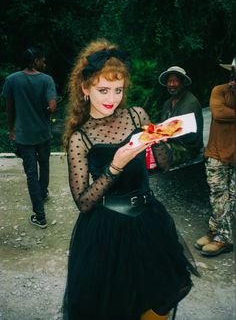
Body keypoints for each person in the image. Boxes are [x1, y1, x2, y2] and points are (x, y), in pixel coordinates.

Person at [62, 39, 197, 320]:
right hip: (107, 230)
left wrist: (157, 137)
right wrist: (115, 166)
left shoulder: (137, 115)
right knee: (115, 305)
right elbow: (84, 203)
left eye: (118, 89)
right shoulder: (80, 138)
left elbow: (166, 165)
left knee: (174, 286)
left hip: (148, 219)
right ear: (85, 89)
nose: (111, 97)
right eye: (102, 90)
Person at [1, 45, 57, 229]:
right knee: (44, 165)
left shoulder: (12, 80)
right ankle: (43, 193)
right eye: (42, 59)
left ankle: (40, 216)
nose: (45, 62)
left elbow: (9, 108)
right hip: (43, 133)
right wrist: (48, 109)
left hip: (24, 136)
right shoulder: (47, 80)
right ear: (35, 61)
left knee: (31, 174)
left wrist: (11, 130)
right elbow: (52, 107)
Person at [195, 57, 236, 257]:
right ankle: (220, 236)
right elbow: (218, 112)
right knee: (218, 194)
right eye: (233, 73)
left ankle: (219, 233)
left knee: (231, 197)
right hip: (217, 153)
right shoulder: (219, 90)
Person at [153, 66, 204, 172]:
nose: (171, 84)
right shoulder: (167, 103)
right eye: (169, 81)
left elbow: (181, 132)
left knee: (156, 151)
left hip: (187, 148)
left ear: (183, 82)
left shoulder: (190, 102)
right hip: (172, 142)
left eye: (175, 81)